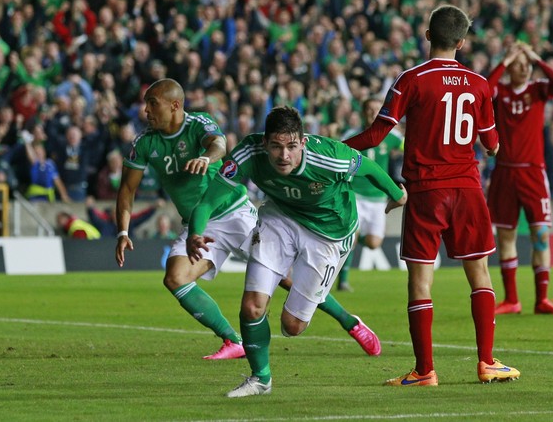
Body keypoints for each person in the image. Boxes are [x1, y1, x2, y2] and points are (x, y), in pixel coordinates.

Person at [116, 79, 380, 362]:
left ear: (174, 105)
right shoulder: (145, 143)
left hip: (235, 213)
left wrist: (206, 158)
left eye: (152, 103)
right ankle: (233, 340)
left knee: (289, 280)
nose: (146, 111)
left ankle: (350, 322)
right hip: (199, 224)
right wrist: (122, 231)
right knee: (175, 278)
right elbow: (127, 190)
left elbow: (218, 143)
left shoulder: (198, 123)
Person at [343, 5, 520, 386]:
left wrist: (333, 147)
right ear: (461, 41)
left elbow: (375, 136)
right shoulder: (479, 84)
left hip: (425, 191)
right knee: (479, 274)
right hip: (467, 189)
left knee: (420, 283)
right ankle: (487, 362)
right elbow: (491, 144)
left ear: (427, 35)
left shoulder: (411, 79)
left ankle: (425, 371)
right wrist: (490, 144)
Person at [187, 106, 407, 398]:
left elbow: (369, 167)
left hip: (329, 233)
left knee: (293, 327)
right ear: (264, 143)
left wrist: (397, 194)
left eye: (291, 146)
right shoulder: (247, 154)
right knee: (252, 306)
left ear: (303, 142)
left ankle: (350, 320)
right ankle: (260, 378)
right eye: (276, 147)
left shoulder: (330, 155)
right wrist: (195, 232)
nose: (283, 155)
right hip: (281, 218)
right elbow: (208, 200)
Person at [485, 41, 553, 315]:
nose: (521, 69)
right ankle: (512, 300)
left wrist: (535, 56)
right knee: (506, 236)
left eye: (526, 65)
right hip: (505, 172)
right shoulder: (501, 92)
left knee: (541, 235)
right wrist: (505, 61)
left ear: (532, 69)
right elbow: (484, 90)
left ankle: (542, 299)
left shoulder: (538, 90)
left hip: (533, 171)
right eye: (516, 65)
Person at [336, 97, 404, 292]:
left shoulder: (391, 136)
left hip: (377, 198)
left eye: (377, 109)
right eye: (370, 109)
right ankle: (343, 281)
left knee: (374, 243)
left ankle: (357, 240)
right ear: (363, 112)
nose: (373, 113)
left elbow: (409, 146)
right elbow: (338, 151)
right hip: (355, 193)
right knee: (351, 237)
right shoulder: (353, 134)